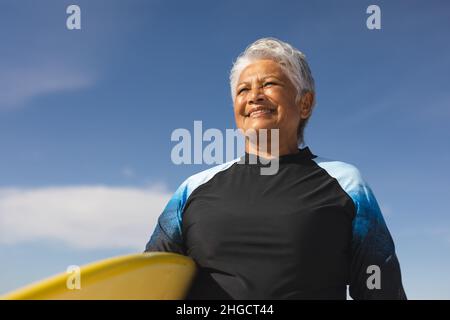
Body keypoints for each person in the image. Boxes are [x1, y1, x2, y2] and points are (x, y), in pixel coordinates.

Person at [145, 37, 406, 300]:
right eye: (242, 90)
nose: (254, 97)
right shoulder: (192, 188)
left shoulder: (348, 184)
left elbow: (382, 291)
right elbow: (146, 283)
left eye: (268, 84)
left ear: (305, 103)